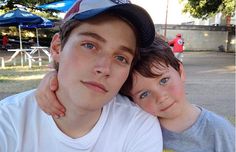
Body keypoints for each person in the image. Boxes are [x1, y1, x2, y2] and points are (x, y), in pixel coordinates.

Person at [0, 0, 163, 151]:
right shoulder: (8, 121)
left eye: (121, 58)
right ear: (57, 48)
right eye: (89, 45)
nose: (104, 68)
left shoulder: (138, 126)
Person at [37, 36, 235, 152]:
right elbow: (91, 91)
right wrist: (53, 79)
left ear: (180, 71)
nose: (161, 97)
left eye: (164, 80)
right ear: (132, 99)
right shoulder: (132, 117)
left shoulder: (219, 131)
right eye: (143, 94)